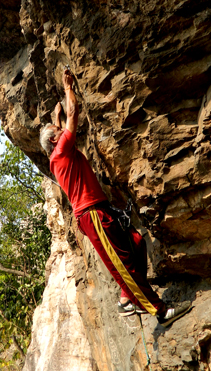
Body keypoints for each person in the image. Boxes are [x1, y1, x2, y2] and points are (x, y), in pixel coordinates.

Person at [40, 69, 191, 326]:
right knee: (123, 266)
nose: (63, 130)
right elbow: (73, 115)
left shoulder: (58, 156)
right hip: (92, 215)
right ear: (56, 139)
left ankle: (125, 299)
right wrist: (68, 88)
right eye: (58, 129)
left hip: (99, 210)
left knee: (136, 242)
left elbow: (64, 126)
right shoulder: (61, 152)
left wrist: (56, 117)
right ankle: (160, 311)